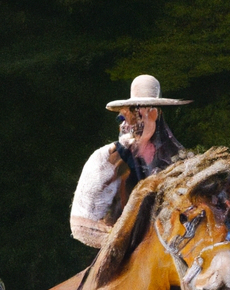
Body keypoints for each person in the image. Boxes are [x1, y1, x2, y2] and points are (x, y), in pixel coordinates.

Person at [70, 75, 190, 247]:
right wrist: (123, 241)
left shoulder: (176, 160)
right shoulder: (106, 159)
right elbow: (82, 225)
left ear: (156, 114)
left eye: (149, 111)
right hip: (125, 253)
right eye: (134, 111)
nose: (137, 119)